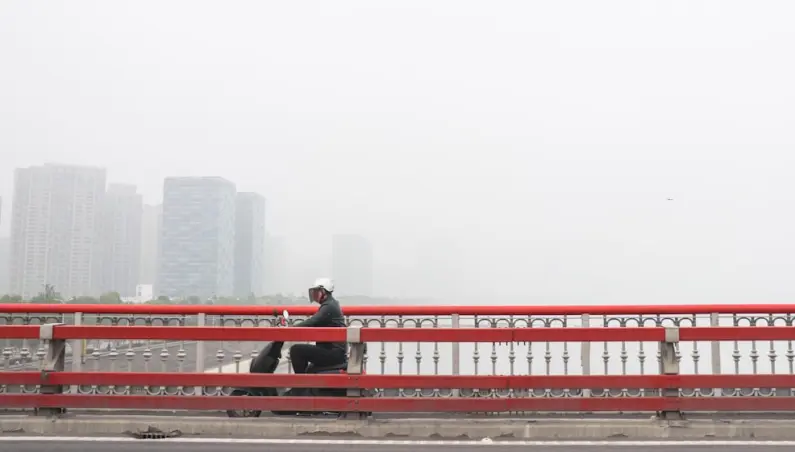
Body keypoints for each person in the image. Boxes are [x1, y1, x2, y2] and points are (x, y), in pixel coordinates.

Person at [289, 278, 347, 374]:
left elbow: (312, 322)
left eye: (317, 292)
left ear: (324, 291)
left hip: (333, 353)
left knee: (296, 350)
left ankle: (301, 386)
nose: (315, 295)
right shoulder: (331, 304)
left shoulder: (329, 306)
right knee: (301, 351)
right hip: (334, 352)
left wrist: (290, 329)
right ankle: (303, 384)